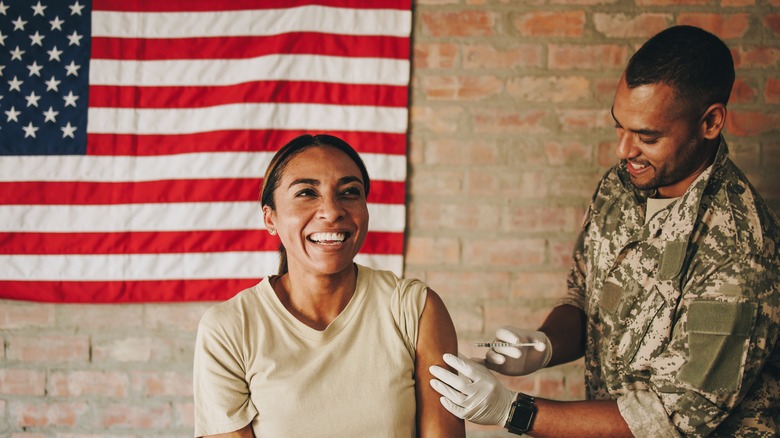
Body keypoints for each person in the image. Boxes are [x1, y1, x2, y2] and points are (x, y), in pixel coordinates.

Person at [429, 25, 780, 437]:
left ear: (710, 122)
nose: (624, 150)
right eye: (620, 127)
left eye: (647, 136)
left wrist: (513, 410)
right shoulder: (622, 185)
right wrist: (543, 346)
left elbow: (669, 420)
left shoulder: (740, 249)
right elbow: (584, 296)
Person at [193, 134, 465, 437]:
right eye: (307, 193)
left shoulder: (415, 308)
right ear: (270, 218)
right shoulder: (229, 328)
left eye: (350, 192)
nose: (332, 210)